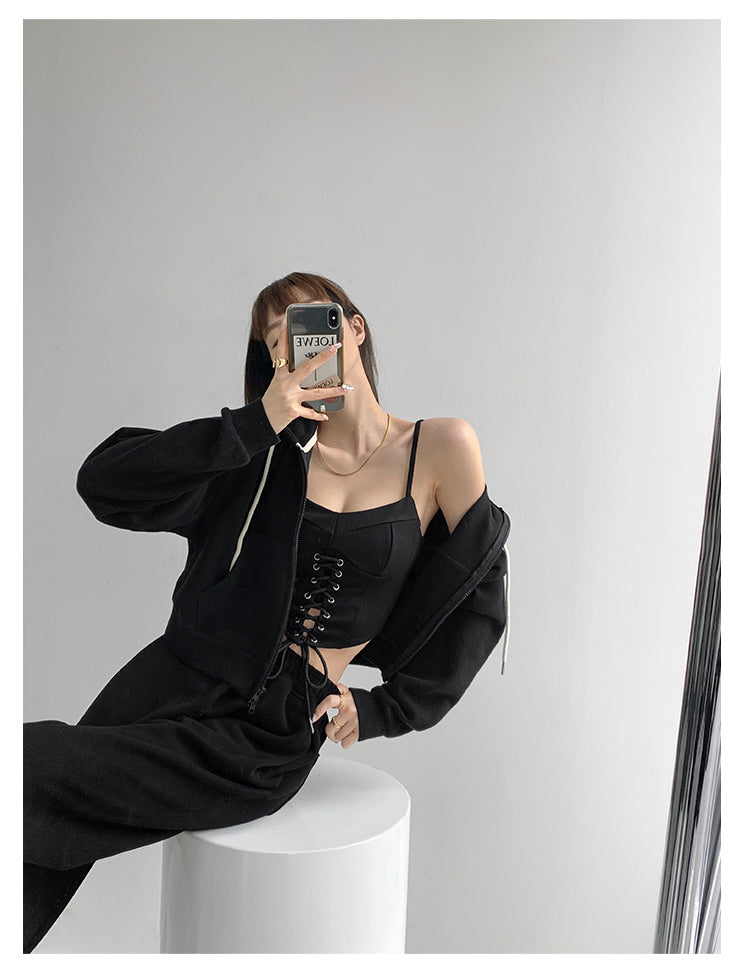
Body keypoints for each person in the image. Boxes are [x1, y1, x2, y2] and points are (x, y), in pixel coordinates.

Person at [24, 272, 511, 953]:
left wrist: (385, 710)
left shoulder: (441, 447)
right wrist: (258, 423)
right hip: (176, 671)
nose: (296, 346)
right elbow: (103, 482)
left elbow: (481, 597)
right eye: (277, 341)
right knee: (39, 824)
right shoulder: (262, 452)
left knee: (30, 769)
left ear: (355, 328)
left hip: (270, 727)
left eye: (311, 324)